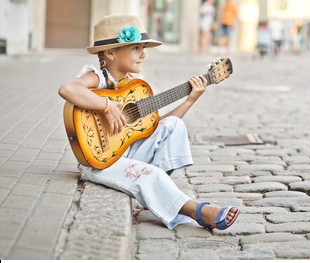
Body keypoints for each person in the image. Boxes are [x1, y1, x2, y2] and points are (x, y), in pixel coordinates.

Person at [58, 15, 239, 230]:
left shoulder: (133, 87)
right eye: (136, 48)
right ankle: (197, 210)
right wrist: (106, 106)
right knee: (150, 174)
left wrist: (190, 99)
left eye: (144, 48)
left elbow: (151, 128)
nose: (143, 54)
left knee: (174, 125)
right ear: (110, 52)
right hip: (99, 160)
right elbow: (67, 89)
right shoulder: (99, 78)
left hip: (125, 151)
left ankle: (157, 197)